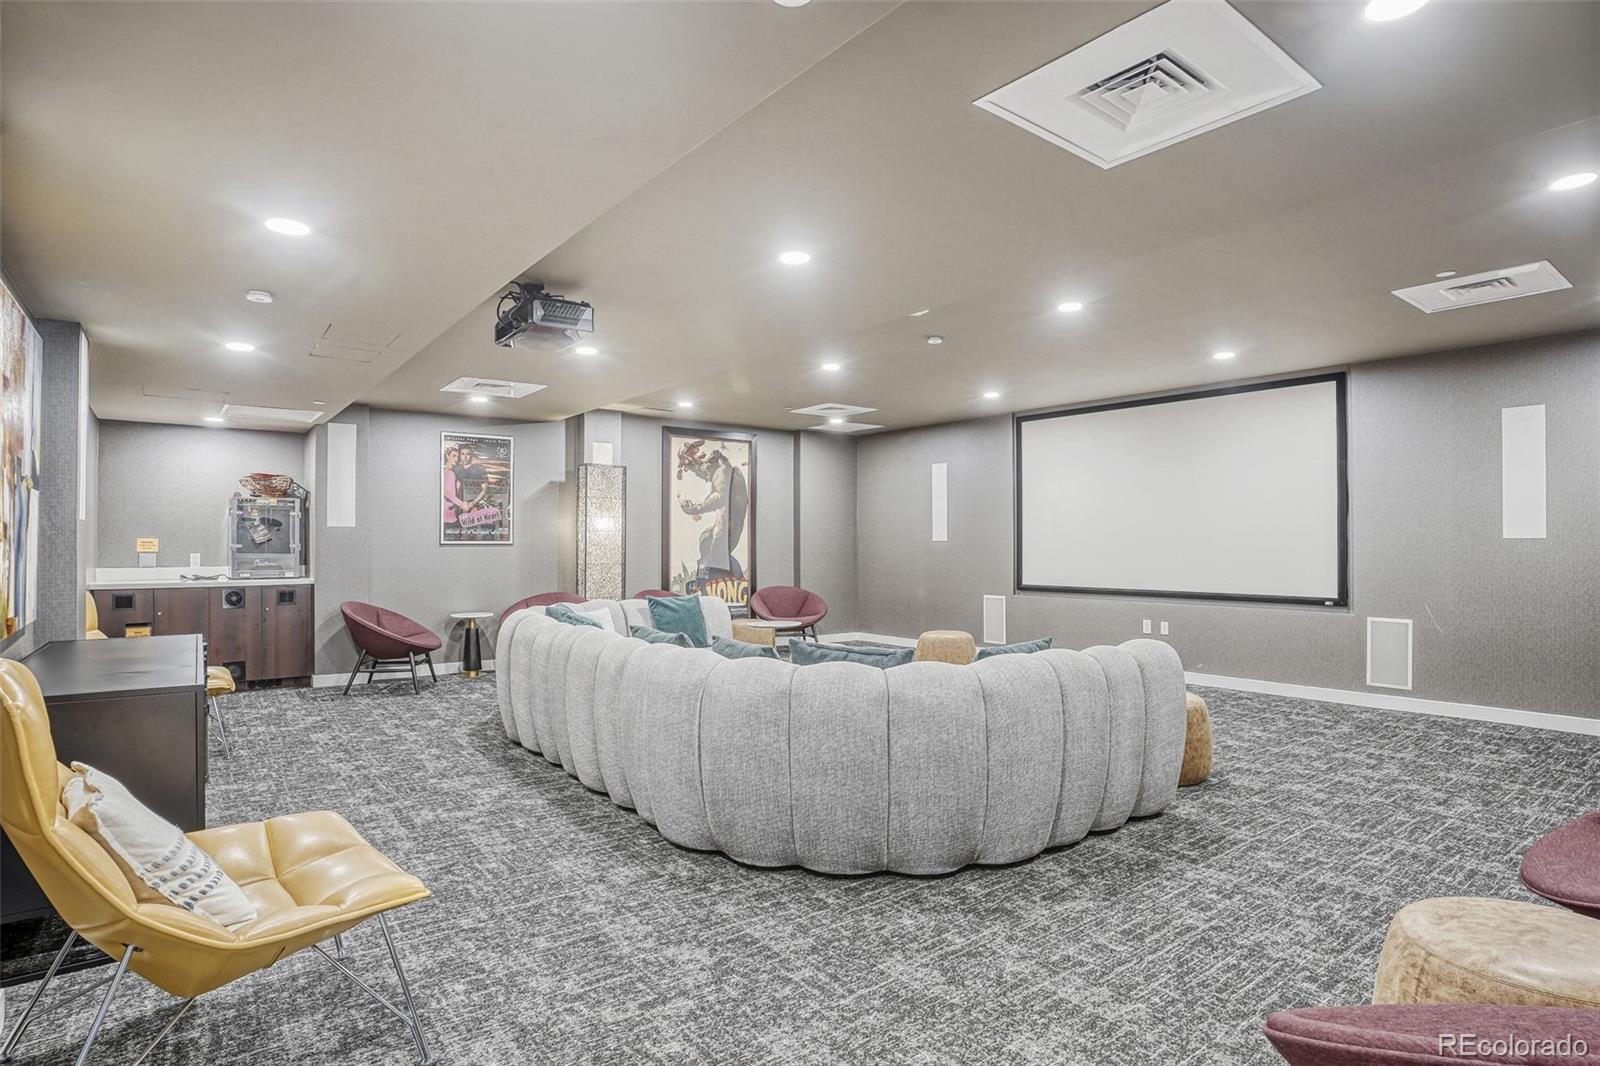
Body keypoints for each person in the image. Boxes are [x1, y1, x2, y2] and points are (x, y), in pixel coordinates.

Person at [675, 440, 748, 580]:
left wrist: (693, 508)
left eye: (706, 465)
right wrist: (689, 464)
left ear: (713, 462)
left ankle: (709, 582)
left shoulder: (722, 470)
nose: (703, 472)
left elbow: (718, 496)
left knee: (712, 557)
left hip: (726, 529)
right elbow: (703, 471)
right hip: (727, 528)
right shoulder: (723, 471)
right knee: (705, 539)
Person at [441, 444, 468, 533]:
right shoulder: (450, 474)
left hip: (446, 515)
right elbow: (450, 495)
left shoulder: (443, 471)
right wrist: (463, 505)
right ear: (447, 456)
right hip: (449, 517)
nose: (456, 459)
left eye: (457, 457)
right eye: (454, 456)